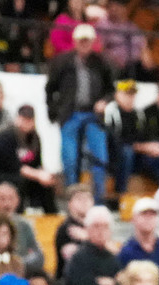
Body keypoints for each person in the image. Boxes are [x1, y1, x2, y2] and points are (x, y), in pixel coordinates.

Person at [45, 23, 113, 202]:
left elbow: (110, 89)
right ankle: (72, 200)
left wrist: (104, 102)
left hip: (93, 115)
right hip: (70, 114)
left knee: (99, 158)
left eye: (87, 41)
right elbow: (50, 88)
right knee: (69, 159)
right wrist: (54, 111)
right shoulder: (62, 62)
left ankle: (99, 201)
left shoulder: (101, 62)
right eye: (81, 41)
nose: (84, 44)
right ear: (75, 42)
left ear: (92, 42)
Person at [104, 80, 159, 195]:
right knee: (127, 152)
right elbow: (115, 141)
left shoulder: (138, 114)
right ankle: (121, 193)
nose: (130, 98)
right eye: (127, 94)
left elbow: (145, 136)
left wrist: (152, 146)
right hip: (115, 157)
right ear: (117, 95)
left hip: (137, 156)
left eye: (132, 94)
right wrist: (140, 147)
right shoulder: (111, 112)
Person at [63, 206, 121, 285]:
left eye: (105, 226)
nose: (101, 231)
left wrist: (112, 284)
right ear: (87, 229)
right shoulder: (79, 258)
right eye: (96, 226)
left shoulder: (113, 257)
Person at [0, 182, 46, 271]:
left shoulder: (24, 224)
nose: (7, 204)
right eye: (2, 199)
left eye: (10, 198)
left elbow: (38, 256)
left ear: (17, 200)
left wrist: (18, 263)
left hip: (20, 270)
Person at [118, 197, 159, 268]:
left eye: (152, 214)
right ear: (134, 219)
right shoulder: (126, 251)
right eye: (144, 214)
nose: (148, 218)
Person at [54, 184, 93, 280]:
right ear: (69, 203)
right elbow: (74, 260)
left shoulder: (95, 227)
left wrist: (88, 237)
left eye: (88, 198)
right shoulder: (66, 228)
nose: (85, 202)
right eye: (79, 199)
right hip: (69, 281)